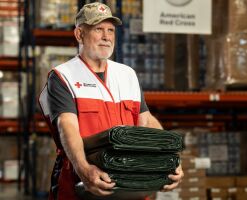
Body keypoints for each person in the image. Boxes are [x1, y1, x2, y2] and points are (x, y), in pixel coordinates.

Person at [38, 2, 184, 200]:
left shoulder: (127, 74)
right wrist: (84, 170)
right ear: (79, 34)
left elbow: (146, 120)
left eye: (110, 30)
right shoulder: (63, 76)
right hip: (84, 183)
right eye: (98, 29)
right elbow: (67, 127)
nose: (106, 37)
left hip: (130, 182)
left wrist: (170, 160)